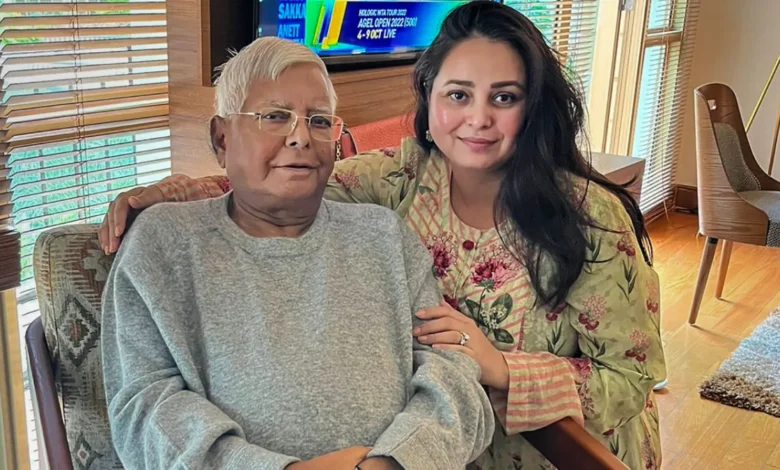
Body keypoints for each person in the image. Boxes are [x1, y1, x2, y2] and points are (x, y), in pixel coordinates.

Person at [100, 2, 667, 469]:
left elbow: (632, 375)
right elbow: (284, 178)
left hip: (563, 448)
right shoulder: (399, 181)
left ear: (532, 106)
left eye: (504, 97)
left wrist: (498, 368)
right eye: (458, 94)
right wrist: (177, 192)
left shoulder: (589, 217)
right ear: (430, 99)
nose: (478, 118)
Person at [101, 36, 495, 470]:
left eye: (319, 121)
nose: (301, 137)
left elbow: (452, 376)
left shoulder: (384, 236)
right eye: (275, 116)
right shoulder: (162, 243)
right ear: (221, 139)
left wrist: (393, 464)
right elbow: (144, 408)